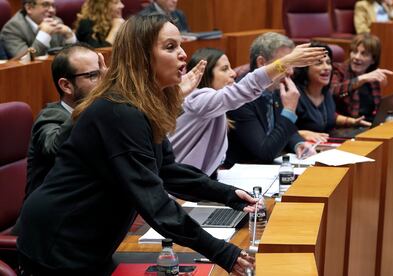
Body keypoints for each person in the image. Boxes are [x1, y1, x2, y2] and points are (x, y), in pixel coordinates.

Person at [17, 14, 258, 275]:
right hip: (59, 241)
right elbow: (153, 200)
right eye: (169, 47)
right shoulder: (119, 111)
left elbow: (166, 170)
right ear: (141, 57)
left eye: (180, 45)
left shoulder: (142, 106)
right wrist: (223, 252)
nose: (182, 55)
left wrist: (227, 194)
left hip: (88, 237)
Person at [169, 44, 326, 176]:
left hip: (198, 183)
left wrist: (298, 142)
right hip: (178, 191)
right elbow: (244, 89)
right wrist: (284, 62)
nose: (233, 73)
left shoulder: (213, 105)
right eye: (224, 69)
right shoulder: (199, 101)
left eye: (231, 68)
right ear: (206, 75)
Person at [25, 43, 106, 198]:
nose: (104, 82)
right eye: (94, 75)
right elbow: (54, 146)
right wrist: (91, 102)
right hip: (49, 216)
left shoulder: (102, 114)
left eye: (103, 73)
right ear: (66, 85)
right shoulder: (50, 116)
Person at [224, 32, 317, 168]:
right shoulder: (241, 98)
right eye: (286, 63)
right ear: (262, 63)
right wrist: (289, 111)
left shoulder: (275, 87)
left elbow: (282, 127)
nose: (291, 71)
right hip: (243, 173)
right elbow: (264, 153)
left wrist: (298, 143)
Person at [293, 42, 371, 142]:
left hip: (325, 146)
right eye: (319, 63)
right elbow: (279, 128)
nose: (326, 68)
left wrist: (353, 121)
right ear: (305, 68)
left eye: (328, 63)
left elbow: (329, 117)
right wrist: (301, 133)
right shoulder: (295, 95)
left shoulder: (325, 92)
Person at [332, 33, 393, 122]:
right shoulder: (339, 70)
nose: (357, 57)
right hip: (347, 125)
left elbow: (375, 109)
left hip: (369, 123)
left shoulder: (373, 76)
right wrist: (361, 79)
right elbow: (333, 91)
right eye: (354, 51)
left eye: (364, 54)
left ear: (373, 60)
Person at [0, 0, 76, 58]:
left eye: (53, 5)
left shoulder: (57, 21)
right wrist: (44, 35)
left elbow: (71, 56)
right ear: (29, 8)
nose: (52, 10)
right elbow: (24, 61)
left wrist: (70, 36)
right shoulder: (13, 28)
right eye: (45, 5)